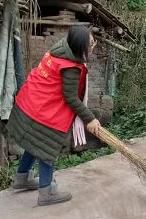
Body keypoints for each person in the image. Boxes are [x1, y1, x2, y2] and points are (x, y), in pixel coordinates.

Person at [8, 25, 102, 206]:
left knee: (35, 142)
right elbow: (71, 98)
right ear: (78, 45)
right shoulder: (71, 67)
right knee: (47, 146)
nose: (92, 47)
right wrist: (90, 118)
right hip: (43, 110)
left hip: (31, 99)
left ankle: (22, 178)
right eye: (89, 45)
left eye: (93, 43)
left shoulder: (61, 47)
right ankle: (47, 192)